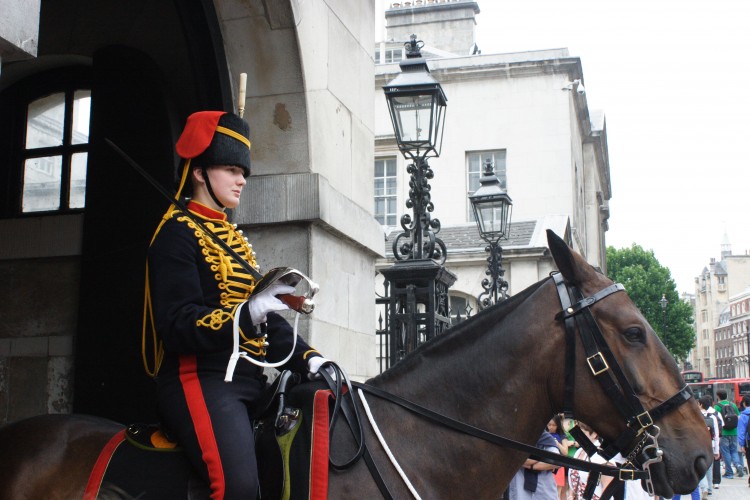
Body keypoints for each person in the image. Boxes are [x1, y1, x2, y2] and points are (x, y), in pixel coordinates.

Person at [144, 110, 330, 500]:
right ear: (199, 173)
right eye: (230, 169)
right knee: (239, 489)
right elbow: (177, 324)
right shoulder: (176, 234)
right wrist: (248, 312)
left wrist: (311, 359)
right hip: (201, 381)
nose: (242, 179)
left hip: (250, 381)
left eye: (242, 171)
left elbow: (265, 321)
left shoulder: (233, 238)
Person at [508, 431, 560, 500]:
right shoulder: (514, 436)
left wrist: (532, 466)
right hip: (520, 483)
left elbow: (557, 461)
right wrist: (542, 456)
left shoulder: (543, 436)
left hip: (544, 485)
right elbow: (519, 459)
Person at [714, 389, 743, 479]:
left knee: (726, 452)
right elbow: (738, 417)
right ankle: (738, 465)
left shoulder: (717, 407)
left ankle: (729, 473)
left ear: (718, 397)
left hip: (723, 433)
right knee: (734, 451)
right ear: (726, 395)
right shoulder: (733, 405)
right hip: (734, 432)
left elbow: (715, 420)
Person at [546, 415, 572, 500]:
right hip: (545, 464)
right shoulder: (544, 434)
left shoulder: (561, 436)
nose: (551, 427)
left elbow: (565, 452)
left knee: (557, 492)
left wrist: (557, 443)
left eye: (554, 425)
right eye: (549, 425)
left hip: (558, 465)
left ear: (558, 425)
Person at [699, 396, 721, 497]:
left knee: (700, 467)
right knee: (709, 467)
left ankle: (704, 487)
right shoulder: (713, 416)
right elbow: (716, 434)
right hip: (710, 445)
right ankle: (710, 489)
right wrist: (717, 450)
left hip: (698, 445)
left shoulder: (696, 416)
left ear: (700, 405)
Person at [738, 395, 750, 487]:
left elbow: (741, 431)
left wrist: (742, 445)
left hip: (748, 442)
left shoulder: (743, 415)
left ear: (744, 403)